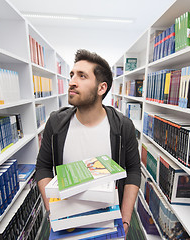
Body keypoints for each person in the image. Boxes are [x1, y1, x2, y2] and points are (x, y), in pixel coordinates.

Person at [35, 49, 141, 235]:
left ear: (101, 88)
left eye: (82, 76)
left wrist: (125, 220)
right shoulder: (56, 123)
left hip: (107, 222)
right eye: (72, 75)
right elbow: (43, 166)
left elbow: (133, 171)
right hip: (67, 223)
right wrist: (53, 212)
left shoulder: (123, 126)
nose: (72, 82)